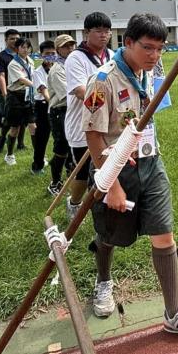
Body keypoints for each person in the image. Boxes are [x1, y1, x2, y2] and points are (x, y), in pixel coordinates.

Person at [82, 12, 178, 339]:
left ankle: (173, 312)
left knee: (164, 234)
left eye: (160, 49)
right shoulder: (103, 80)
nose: (155, 56)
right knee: (112, 236)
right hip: (115, 168)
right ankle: (103, 281)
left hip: (152, 163)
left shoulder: (151, 70)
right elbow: (93, 135)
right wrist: (113, 186)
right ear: (128, 43)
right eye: (148, 48)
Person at [64, 13, 114, 217]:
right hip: (82, 125)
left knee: (107, 168)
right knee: (84, 172)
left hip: (108, 123)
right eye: (98, 31)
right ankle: (74, 202)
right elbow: (80, 91)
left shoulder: (111, 56)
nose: (104, 35)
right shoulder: (76, 58)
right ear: (86, 33)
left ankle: (104, 208)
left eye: (107, 31)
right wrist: (111, 104)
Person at [46, 34, 76, 195]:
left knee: (73, 146)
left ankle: (71, 177)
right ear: (58, 50)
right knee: (61, 147)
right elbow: (68, 94)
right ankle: (55, 182)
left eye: (72, 45)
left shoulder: (74, 65)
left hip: (73, 109)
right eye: (66, 46)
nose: (70, 49)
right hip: (61, 111)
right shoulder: (57, 70)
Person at [3, 37, 36, 165]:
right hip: (15, 97)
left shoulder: (31, 61)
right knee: (15, 128)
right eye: (22, 47)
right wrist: (37, 85)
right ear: (17, 49)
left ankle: (37, 155)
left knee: (33, 127)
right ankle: (10, 154)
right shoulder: (13, 64)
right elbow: (22, 80)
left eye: (28, 47)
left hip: (28, 96)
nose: (25, 49)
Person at [31, 40, 55, 174]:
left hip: (58, 105)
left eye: (53, 53)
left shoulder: (60, 68)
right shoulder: (38, 72)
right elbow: (44, 90)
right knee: (42, 137)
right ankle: (37, 165)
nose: (50, 56)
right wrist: (53, 104)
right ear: (41, 55)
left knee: (61, 136)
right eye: (47, 54)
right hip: (44, 106)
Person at [0, 29, 20, 152]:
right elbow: (1, 76)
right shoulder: (1, 56)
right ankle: (2, 138)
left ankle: (20, 144)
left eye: (16, 38)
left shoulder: (22, 54)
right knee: (9, 119)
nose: (15, 41)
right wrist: (5, 93)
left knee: (23, 118)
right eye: (12, 38)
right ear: (6, 40)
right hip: (9, 92)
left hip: (22, 91)